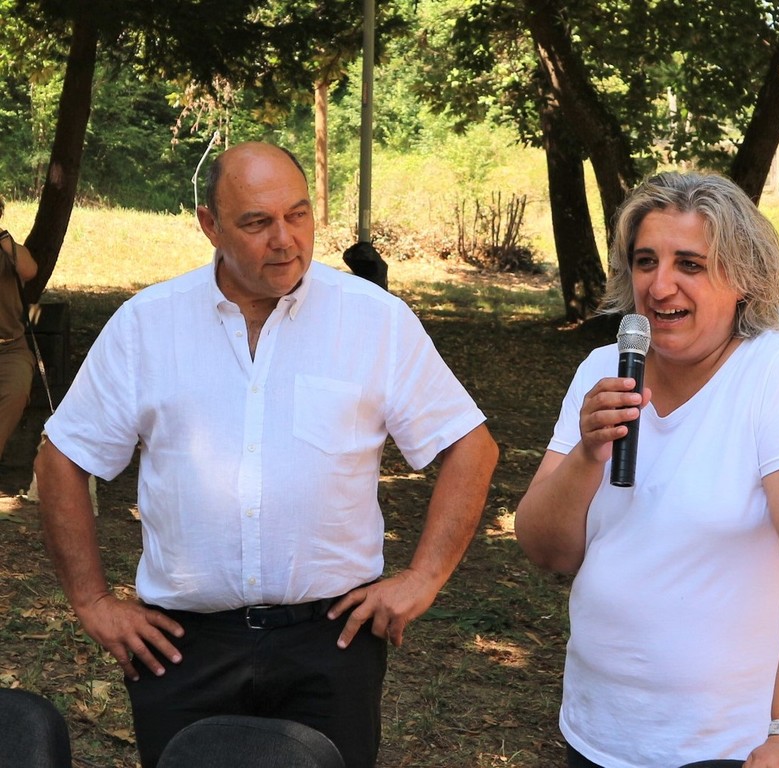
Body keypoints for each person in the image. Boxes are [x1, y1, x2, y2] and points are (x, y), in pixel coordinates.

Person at [34, 141, 499, 768]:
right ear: (210, 225)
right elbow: (62, 456)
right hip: (181, 647)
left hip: (332, 641)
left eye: (298, 215)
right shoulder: (148, 324)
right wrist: (92, 602)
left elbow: (470, 445)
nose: (285, 240)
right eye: (257, 222)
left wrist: (422, 578)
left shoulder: (374, 321)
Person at [515, 171, 779, 768]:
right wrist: (587, 455)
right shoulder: (603, 369)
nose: (660, 285)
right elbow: (547, 550)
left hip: (733, 745)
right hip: (601, 732)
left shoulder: (778, 376)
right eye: (645, 261)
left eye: (690, 265)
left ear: (743, 280)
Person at [0, 200, 38, 464]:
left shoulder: (8, 249)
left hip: (11, 347)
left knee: (16, 391)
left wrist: (4, 239)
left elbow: (30, 270)